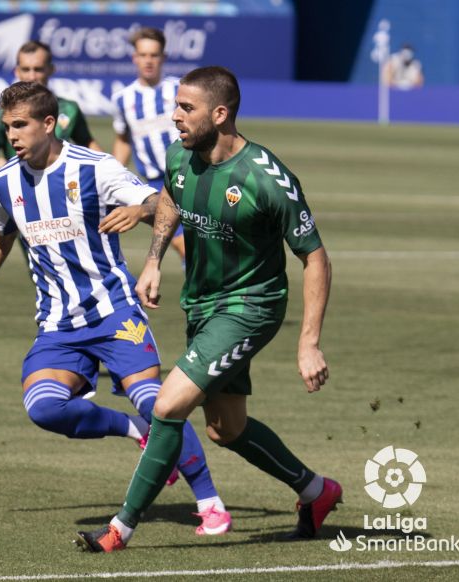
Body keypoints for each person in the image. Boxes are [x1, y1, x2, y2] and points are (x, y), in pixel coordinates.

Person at [0, 81, 231, 535]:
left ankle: (210, 502)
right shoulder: (3, 181)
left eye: (21, 125)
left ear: (49, 124)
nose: (11, 135)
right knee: (43, 408)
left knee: (161, 406)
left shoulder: (94, 168)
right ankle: (135, 432)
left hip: (115, 314)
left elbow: (163, 206)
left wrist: (140, 211)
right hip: (58, 325)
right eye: (7, 126)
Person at [75, 66, 341, 553]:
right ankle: (315, 490)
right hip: (201, 304)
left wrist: (309, 343)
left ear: (220, 114)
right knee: (226, 428)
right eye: (175, 105)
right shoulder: (181, 155)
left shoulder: (267, 178)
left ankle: (120, 529)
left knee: (168, 404)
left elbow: (316, 257)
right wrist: (153, 260)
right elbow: (172, 199)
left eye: (185, 108)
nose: (173, 116)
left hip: (249, 307)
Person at [0, 40, 100, 179]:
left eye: (38, 69)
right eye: (26, 69)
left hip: (62, 185)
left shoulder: (69, 109)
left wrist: (111, 168)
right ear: (17, 71)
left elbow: (90, 145)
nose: (32, 77)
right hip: (24, 191)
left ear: (51, 69)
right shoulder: (3, 115)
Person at [111, 28, 185, 263]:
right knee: (183, 245)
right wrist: (113, 175)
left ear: (163, 57)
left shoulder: (180, 89)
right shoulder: (124, 98)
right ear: (134, 57)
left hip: (189, 177)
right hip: (157, 185)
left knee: (201, 244)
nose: (148, 60)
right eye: (143, 55)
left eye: (154, 55)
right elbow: (123, 139)